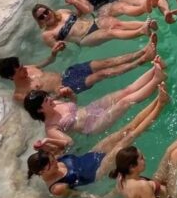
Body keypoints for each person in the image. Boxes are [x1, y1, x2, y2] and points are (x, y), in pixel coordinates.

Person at [26, 86, 168, 198]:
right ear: (42, 172)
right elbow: (78, 195)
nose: (56, 163)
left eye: (53, 160)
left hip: (92, 154)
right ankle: (160, 106)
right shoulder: (56, 188)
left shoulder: (54, 159)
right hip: (97, 170)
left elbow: (66, 145)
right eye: (52, 164)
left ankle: (156, 101)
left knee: (125, 130)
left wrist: (48, 142)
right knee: (129, 138)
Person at [23, 56, 166, 154]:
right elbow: (69, 143)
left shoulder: (54, 103)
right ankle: (156, 80)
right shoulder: (51, 128)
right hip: (93, 125)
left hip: (91, 108)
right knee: (124, 102)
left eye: (46, 96)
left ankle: (155, 69)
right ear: (40, 109)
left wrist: (71, 95)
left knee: (125, 91)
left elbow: (74, 104)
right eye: (45, 100)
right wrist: (49, 142)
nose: (49, 99)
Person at [0, 33, 157, 102]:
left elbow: (45, 63)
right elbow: (40, 105)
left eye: (23, 66)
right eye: (20, 71)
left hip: (67, 73)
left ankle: (141, 51)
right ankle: (141, 61)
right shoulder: (20, 94)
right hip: (67, 87)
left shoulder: (29, 68)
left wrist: (53, 54)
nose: (25, 69)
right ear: (11, 77)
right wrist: (60, 96)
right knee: (101, 74)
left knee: (104, 62)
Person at [31, 4, 156, 49]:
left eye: (46, 12)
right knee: (110, 32)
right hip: (85, 38)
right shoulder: (47, 34)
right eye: (41, 17)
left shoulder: (62, 11)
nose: (45, 16)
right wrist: (59, 47)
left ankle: (147, 24)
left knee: (117, 23)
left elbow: (80, 15)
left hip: (92, 23)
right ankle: (141, 31)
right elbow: (60, 49)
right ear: (39, 21)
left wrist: (75, 3)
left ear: (50, 10)